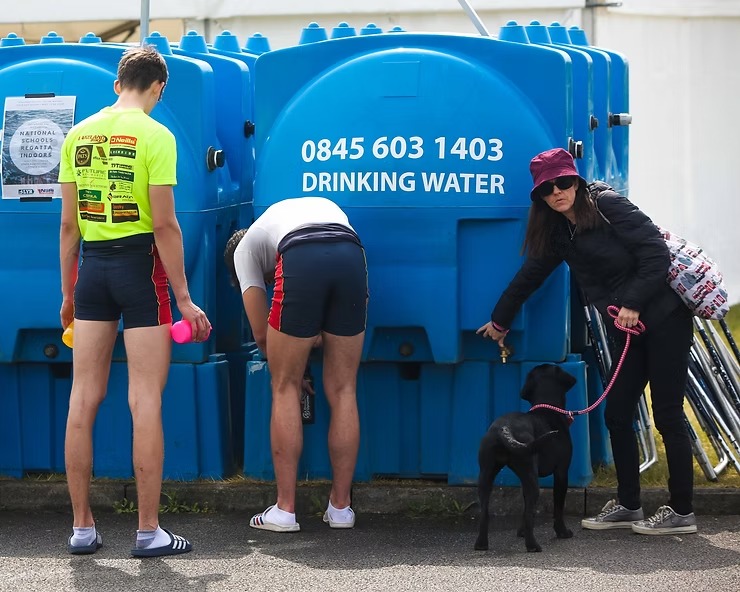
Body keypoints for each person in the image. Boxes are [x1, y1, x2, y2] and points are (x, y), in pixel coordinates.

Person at [477, 148, 697, 535]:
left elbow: (655, 252)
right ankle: (629, 505)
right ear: (540, 197)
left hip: (664, 320)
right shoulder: (558, 232)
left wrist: (633, 302)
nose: (557, 192)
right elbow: (531, 275)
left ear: (576, 182)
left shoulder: (607, 205)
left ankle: (681, 512)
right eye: (547, 189)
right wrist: (500, 319)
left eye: (563, 183)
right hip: (627, 330)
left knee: (667, 414)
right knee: (617, 414)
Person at [58, 45, 211, 557]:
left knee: (83, 397)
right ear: (158, 88)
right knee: (144, 398)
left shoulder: (78, 134)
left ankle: (82, 528)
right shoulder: (156, 135)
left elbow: (68, 227)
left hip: (92, 272)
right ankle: (148, 532)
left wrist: (68, 294)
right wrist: (184, 299)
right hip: (140, 270)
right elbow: (165, 225)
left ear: (117, 84)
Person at [224, 197, 368, 532]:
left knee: (284, 387)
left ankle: (285, 510)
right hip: (351, 253)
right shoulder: (291, 213)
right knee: (344, 389)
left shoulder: (243, 252)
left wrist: (292, 367)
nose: (270, 283)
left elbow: (262, 337)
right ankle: (341, 509)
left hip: (301, 255)